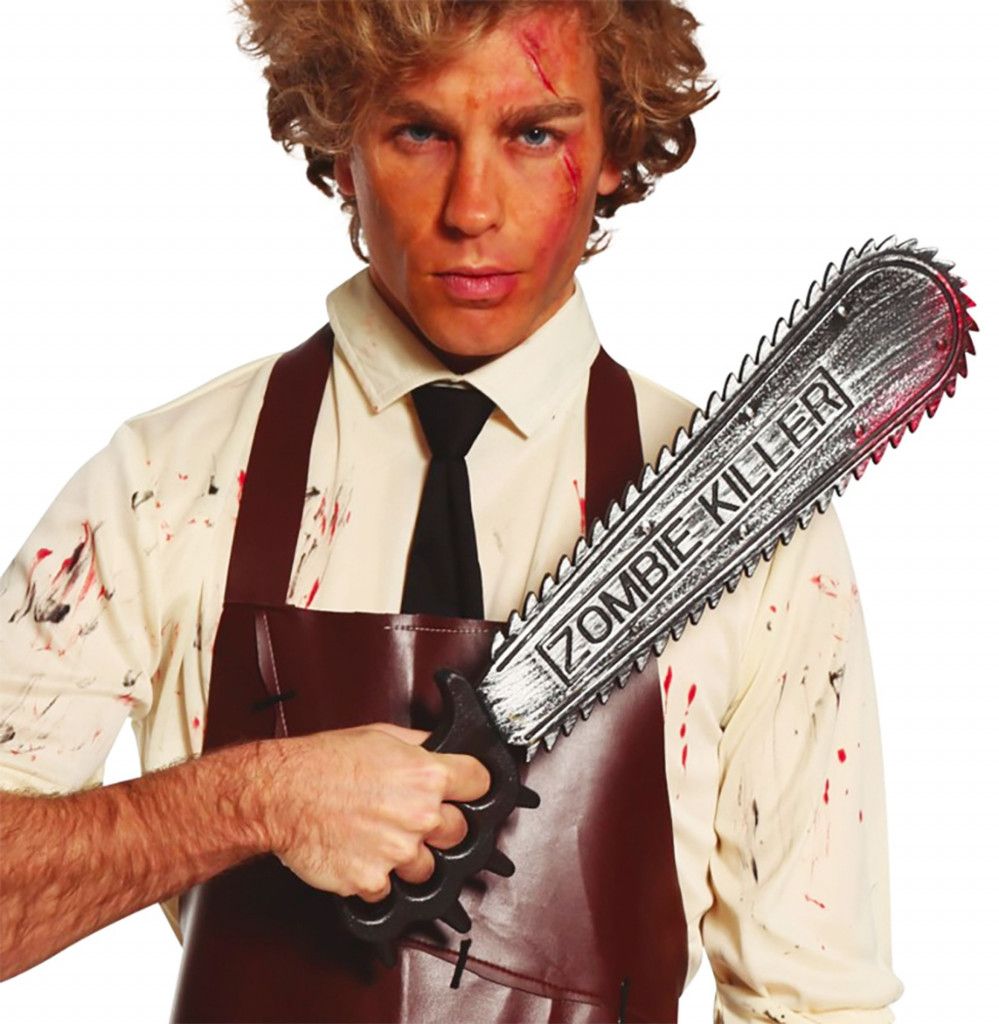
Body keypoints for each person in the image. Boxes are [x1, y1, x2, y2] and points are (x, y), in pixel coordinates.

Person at [0, 1, 902, 1020]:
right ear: (342, 147)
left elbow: (816, 1000)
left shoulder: (746, 521)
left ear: (614, 148)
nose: (472, 209)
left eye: (534, 135)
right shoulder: (168, 483)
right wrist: (253, 800)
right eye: (420, 132)